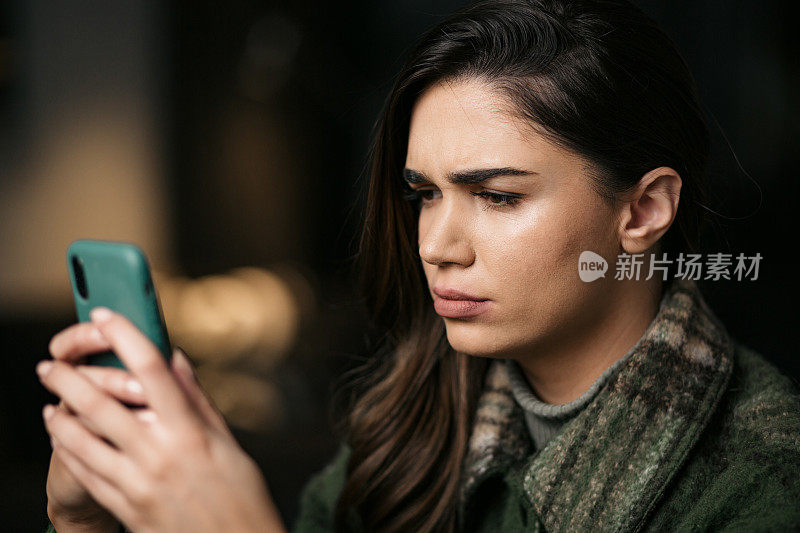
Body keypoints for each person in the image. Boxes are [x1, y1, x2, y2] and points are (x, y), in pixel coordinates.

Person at [38, 0, 800, 532]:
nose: (436, 243)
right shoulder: (410, 423)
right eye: (423, 194)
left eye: (497, 197)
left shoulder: (763, 482)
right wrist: (85, 521)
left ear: (642, 212)